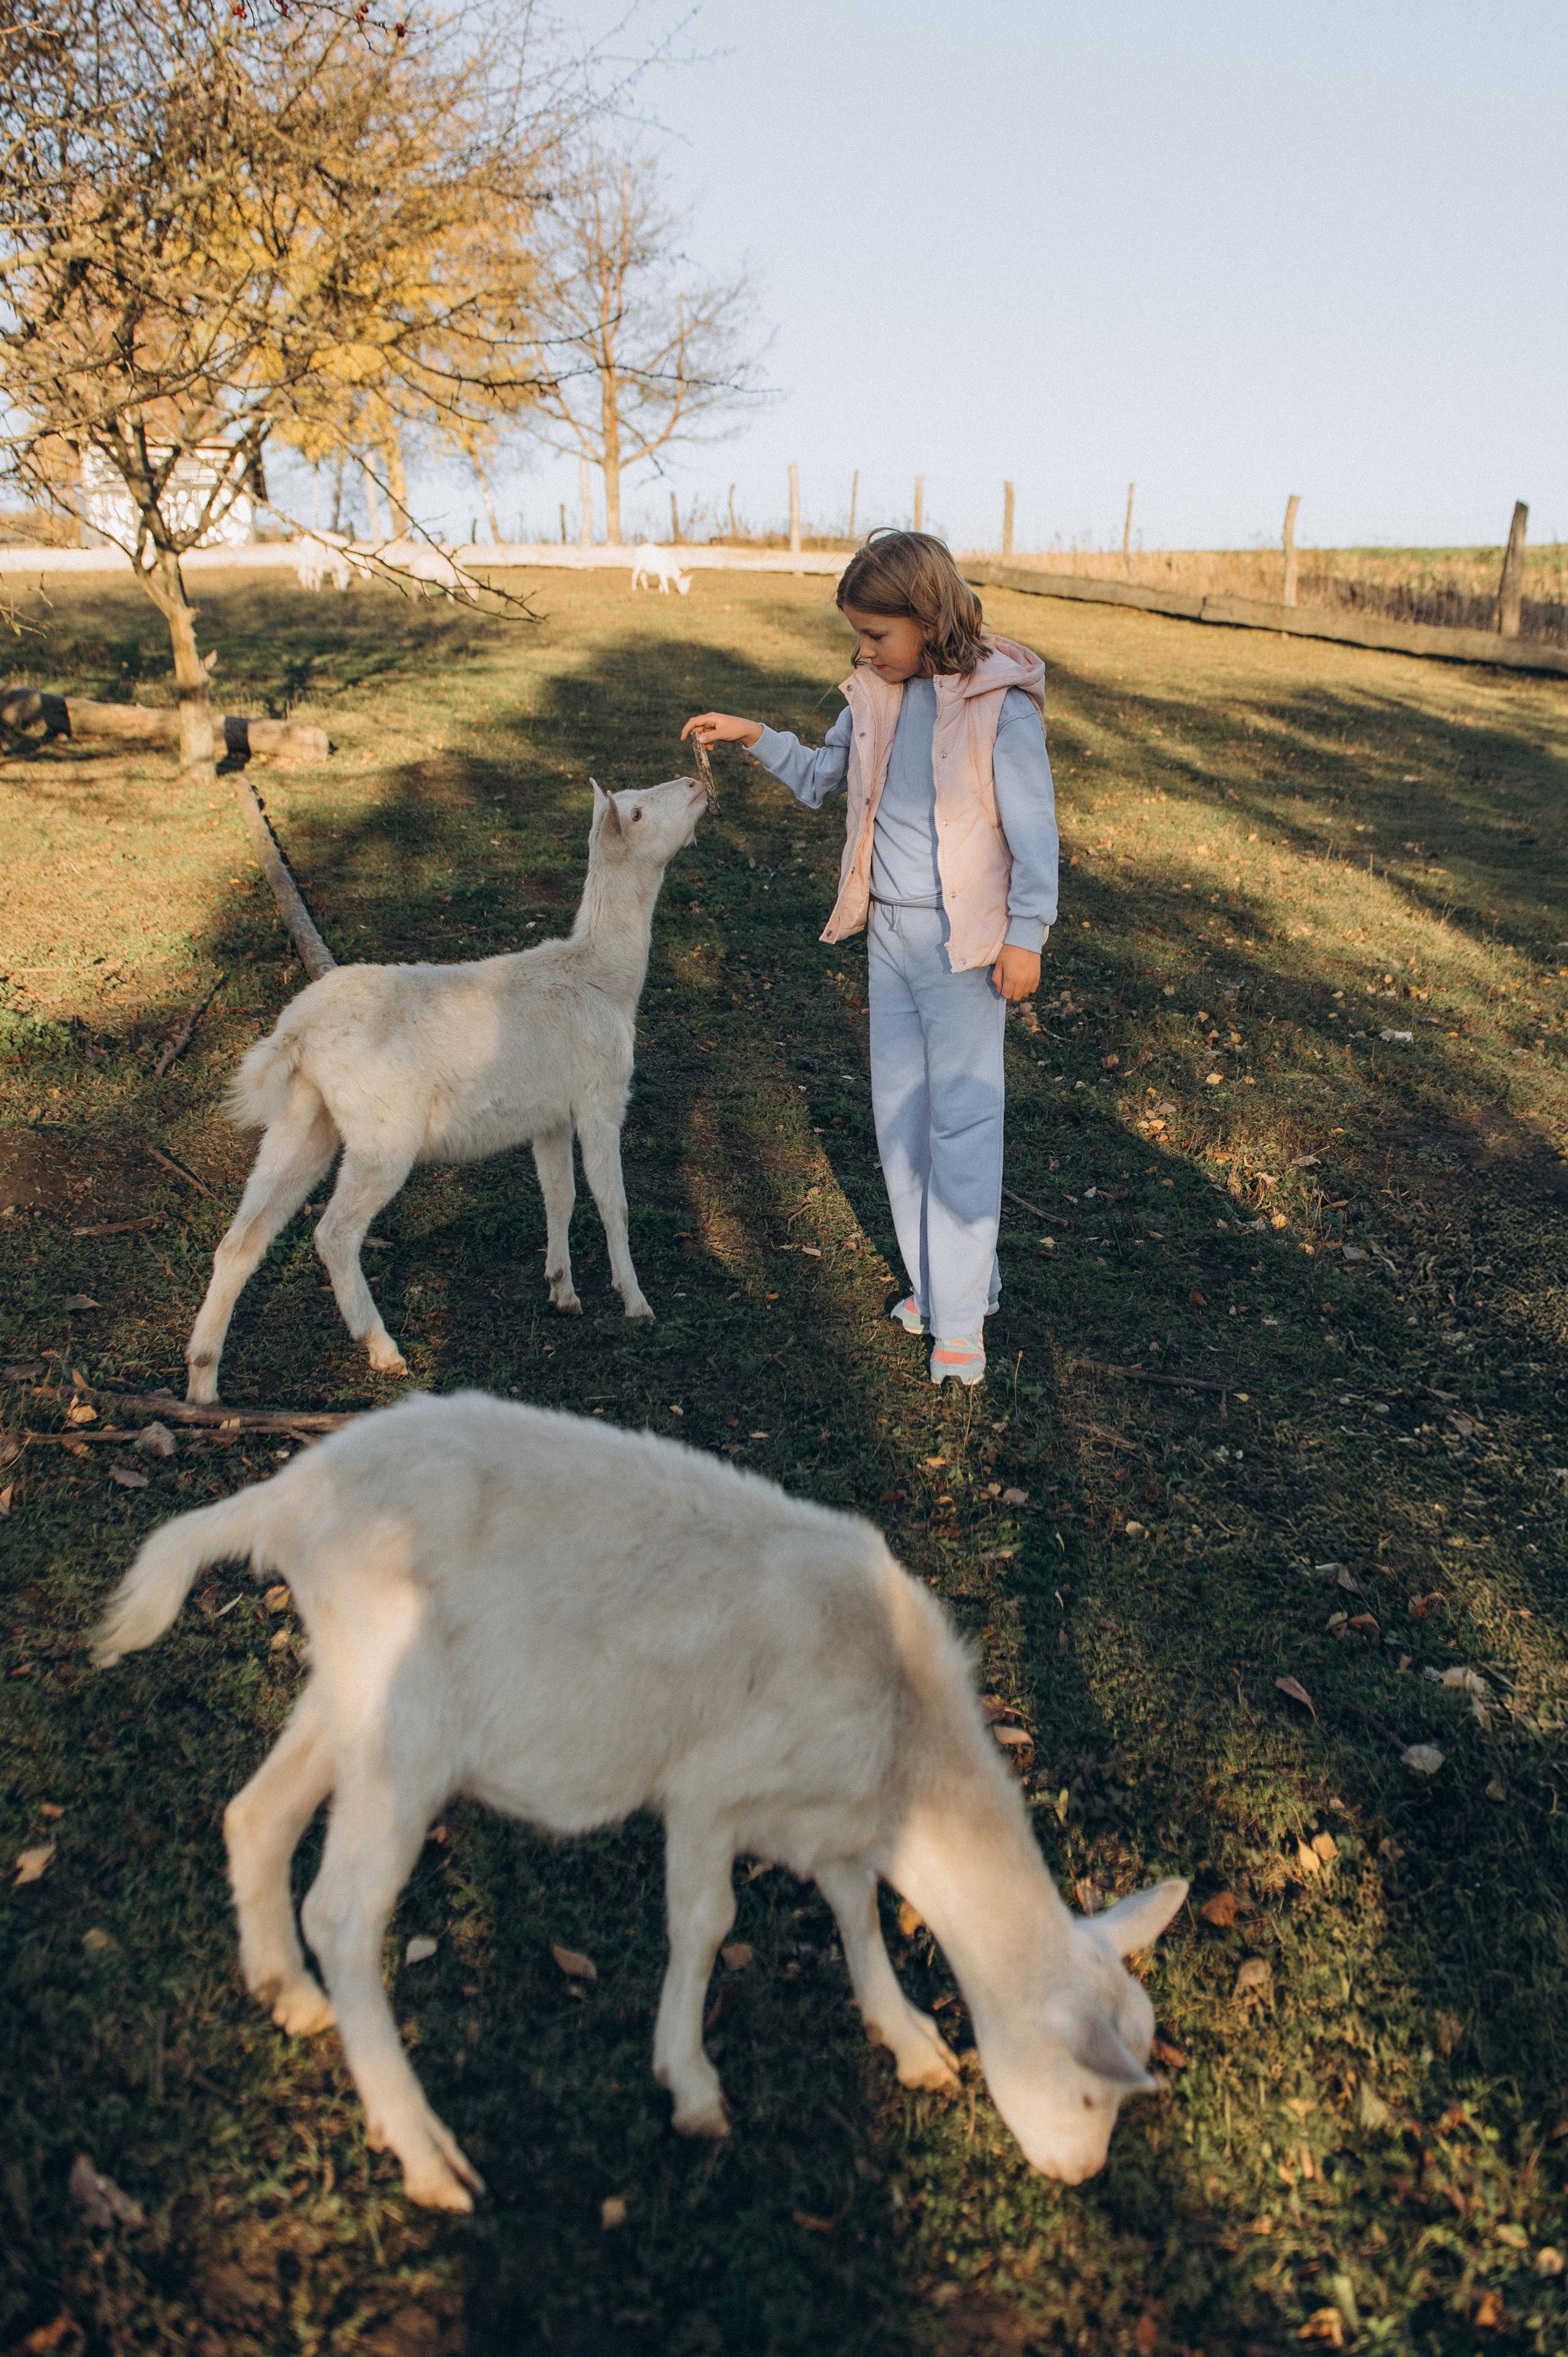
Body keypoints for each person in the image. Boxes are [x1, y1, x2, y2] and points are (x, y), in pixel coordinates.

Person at [682, 529, 1057, 1387]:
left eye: (877, 635)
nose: (863, 650)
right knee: (901, 1121)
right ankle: (950, 1282)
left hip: (966, 947)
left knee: (962, 1128)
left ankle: (961, 1326)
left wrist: (1027, 934)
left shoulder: (1000, 703)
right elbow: (824, 782)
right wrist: (753, 736)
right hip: (889, 936)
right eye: (858, 635)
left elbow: (1035, 830)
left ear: (928, 619)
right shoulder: (871, 697)